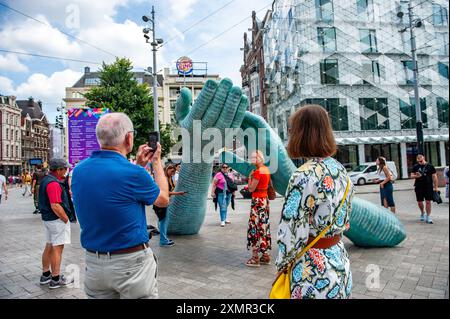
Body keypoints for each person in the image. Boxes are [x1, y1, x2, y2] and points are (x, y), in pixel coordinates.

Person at [71, 112, 169, 299]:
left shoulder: (79, 171)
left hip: (94, 264)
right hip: (130, 263)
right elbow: (163, 199)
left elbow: (114, 187)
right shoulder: (133, 174)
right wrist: (156, 162)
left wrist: (139, 165)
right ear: (128, 137)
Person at [276, 105, 354, 299]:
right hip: (339, 262)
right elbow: (346, 218)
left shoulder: (303, 175)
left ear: (301, 134)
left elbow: (290, 230)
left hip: (311, 270)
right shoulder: (340, 170)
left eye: (292, 130)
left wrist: (282, 266)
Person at [38, 158, 74, 289]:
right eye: (65, 169)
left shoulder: (46, 180)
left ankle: (46, 274)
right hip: (56, 219)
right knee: (57, 249)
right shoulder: (53, 183)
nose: (66, 171)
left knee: (49, 245)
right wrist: (65, 219)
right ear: (58, 170)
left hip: (48, 219)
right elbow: (55, 205)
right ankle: (55, 278)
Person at [245, 150, 272, 267]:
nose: (251, 160)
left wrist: (249, 177)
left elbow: (251, 189)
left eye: (253, 158)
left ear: (259, 158)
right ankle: (265, 255)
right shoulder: (266, 170)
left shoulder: (257, 172)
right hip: (264, 201)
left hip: (257, 202)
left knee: (255, 227)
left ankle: (255, 257)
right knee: (263, 226)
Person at [153, 164, 186, 247]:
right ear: (167, 169)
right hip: (160, 204)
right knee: (163, 222)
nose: (173, 173)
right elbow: (165, 192)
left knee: (163, 222)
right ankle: (163, 241)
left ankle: (164, 238)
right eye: (172, 172)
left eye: (174, 172)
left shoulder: (168, 178)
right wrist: (178, 193)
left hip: (164, 203)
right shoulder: (163, 179)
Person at [411, 154, 439, 224]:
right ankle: (422, 212)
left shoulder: (430, 166)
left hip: (428, 186)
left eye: (421, 161)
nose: (420, 162)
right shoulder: (415, 166)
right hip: (418, 186)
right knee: (420, 202)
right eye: (419, 161)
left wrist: (436, 187)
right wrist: (417, 176)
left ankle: (428, 216)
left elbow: (435, 177)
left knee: (428, 201)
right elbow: (411, 176)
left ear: (424, 158)